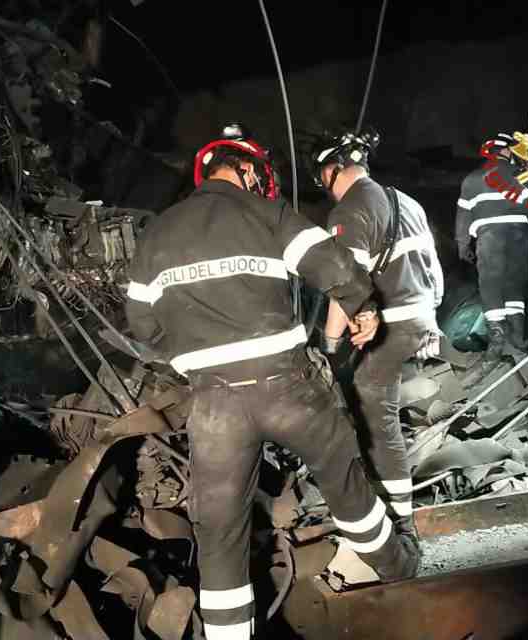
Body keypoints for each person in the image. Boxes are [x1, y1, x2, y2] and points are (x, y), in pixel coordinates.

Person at [124, 123, 420, 640]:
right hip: (289, 388)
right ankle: (400, 568)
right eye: (259, 173)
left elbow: (143, 325)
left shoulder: (157, 234)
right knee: (344, 477)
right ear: (245, 169)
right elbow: (336, 267)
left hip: (214, 403)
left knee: (219, 533)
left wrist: (191, 359)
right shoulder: (269, 214)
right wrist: (363, 306)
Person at [310, 127, 444, 548]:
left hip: (394, 320)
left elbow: (343, 286)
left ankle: (399, 519)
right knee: (366, 392)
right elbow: (435, 271)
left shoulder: (350, 210)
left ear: (333, 170)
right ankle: (382, 489)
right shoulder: (407, 201)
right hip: (421, 314)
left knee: (372, 410)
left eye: (321, 179)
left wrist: (328, 347)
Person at [456, 133, 528, 373]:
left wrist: (462, 245)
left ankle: (497, 343)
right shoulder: (523, 177)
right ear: (505, 151)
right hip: (519, 241)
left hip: (489, 241)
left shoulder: (472, 180)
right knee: (514, 286)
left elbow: (463, 217)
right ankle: (517, 340)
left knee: (491, 286)